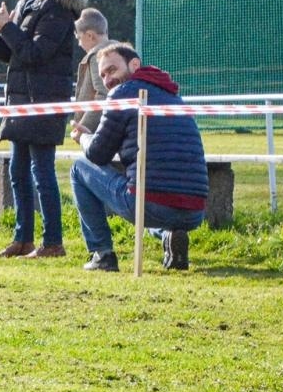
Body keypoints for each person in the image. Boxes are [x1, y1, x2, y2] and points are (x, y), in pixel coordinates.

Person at [0, 0, 88, 259]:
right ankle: (22, 239)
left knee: (42, 172)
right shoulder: (26, 1)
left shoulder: (57, 7)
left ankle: (53, 242)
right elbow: (7, 54)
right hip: (20, 99)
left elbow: (35, 53)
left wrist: (7, 28)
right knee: (17, 172)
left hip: (43, 99)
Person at [71, 44, 207, 271]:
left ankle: (101, 254)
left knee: (79, 167)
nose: (107, 80)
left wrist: (83, 137)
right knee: (150, 194)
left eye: (112, 70)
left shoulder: (123, 93)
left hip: (149, 203)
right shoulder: (174, 97)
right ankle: (170, 234)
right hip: (194, 211)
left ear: (134, 65)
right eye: (103, 74)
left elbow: (97, 153)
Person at [70, 7, 116, 141]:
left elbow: (103, 95)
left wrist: (83, 128)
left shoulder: (97, 56)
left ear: (90, 35)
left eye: (79, 38)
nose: (79, 44)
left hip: (99, 133)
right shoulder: (122, 53)